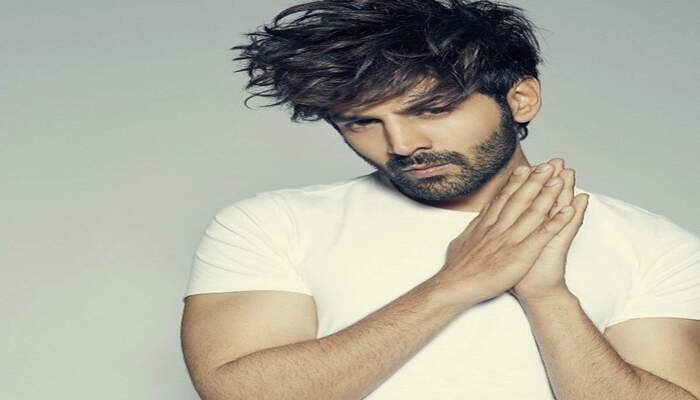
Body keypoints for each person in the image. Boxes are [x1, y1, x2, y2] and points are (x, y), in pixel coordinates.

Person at [180, 1, 700, 399]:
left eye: (431, 110)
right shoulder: (273, 223)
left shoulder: (651, 243)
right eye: (362, 123)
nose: (403, 144)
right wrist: (455, 285)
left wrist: (548, 298)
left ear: (520, 99)